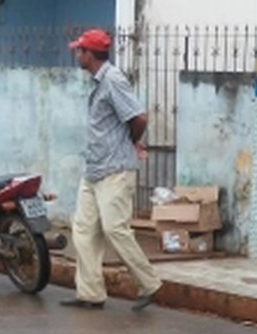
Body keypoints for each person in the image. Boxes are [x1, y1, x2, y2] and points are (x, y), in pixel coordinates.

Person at [61, 29, 162, 311]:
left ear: (90, 54)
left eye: (80, 51)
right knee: (83, 230)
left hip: (115, 168)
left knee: (114, 228)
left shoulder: (113, 80)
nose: (77, 55)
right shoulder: (97, 81)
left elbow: (139, 117)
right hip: (94, 167)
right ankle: (90, 293)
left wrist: (129, 142)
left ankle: (149, 282)